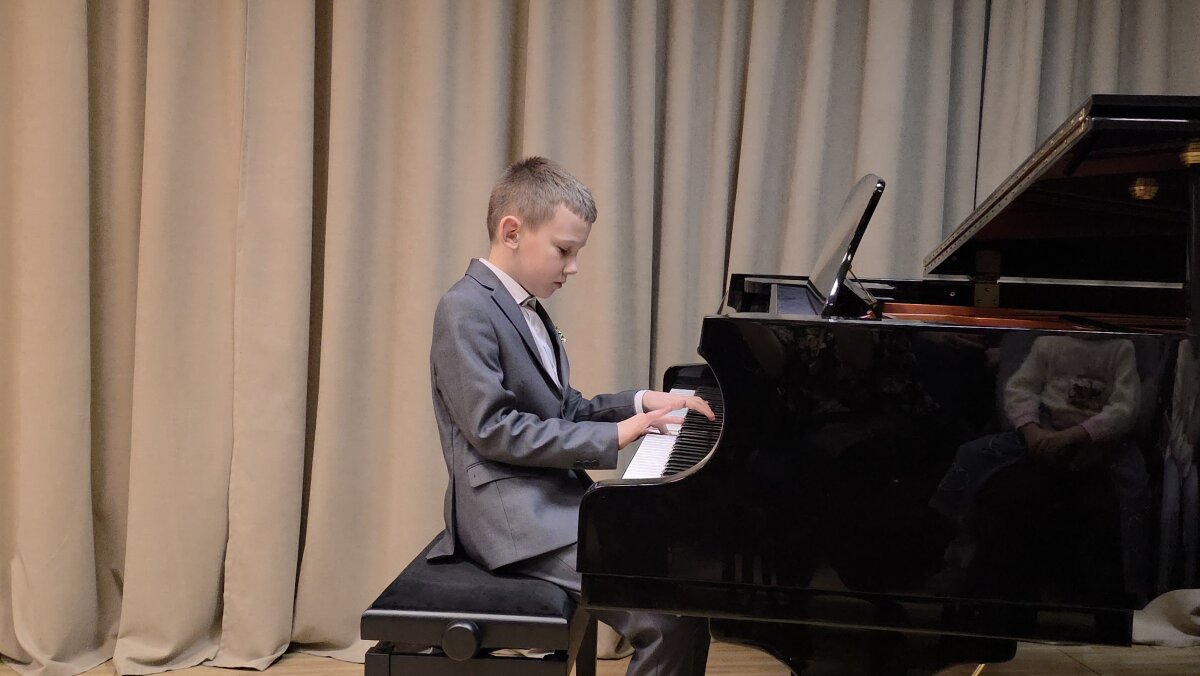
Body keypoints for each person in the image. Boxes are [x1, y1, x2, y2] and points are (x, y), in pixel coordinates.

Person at [427, 156, 713, 675]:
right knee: (669, 615)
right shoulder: (464, 308)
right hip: (510, 519)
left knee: (686, 588)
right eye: (564, 250)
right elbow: (493, 429)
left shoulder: (526, 307)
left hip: (549, 502)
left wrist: (640, 403)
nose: (573, 266)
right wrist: (618, 435)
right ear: (512, 232)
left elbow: (565, 408)